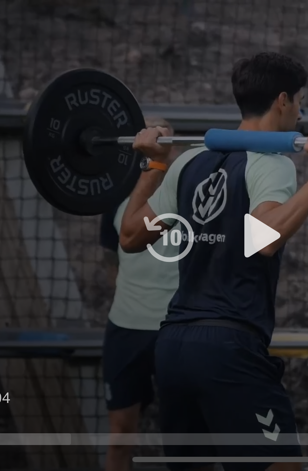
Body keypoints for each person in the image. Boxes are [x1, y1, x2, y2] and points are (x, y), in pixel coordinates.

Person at [117, 51, 308, 471]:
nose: (300, 110)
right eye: (299, 100)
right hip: (228, 348)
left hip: (174, 348)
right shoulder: (271, 165)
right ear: (281, 100)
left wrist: (154, 166)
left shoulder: (186, 161)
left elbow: (130, 235)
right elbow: (264, 241)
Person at [98, 117, 182, 471]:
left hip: (177, 333)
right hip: (126, 330)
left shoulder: (191, 192)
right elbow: (111, 257)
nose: (154, 138)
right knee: (120, 436)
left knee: (185, 442)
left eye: (163, 134)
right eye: (149, 132)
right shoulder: (118, 198)